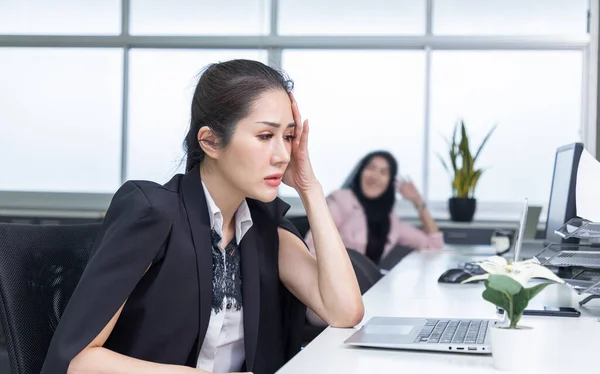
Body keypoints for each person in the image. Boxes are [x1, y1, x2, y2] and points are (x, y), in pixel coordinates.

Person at [41, 60, 363, 374]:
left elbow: (344, 311)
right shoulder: (152, 213)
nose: (282, 155)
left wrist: (310, 188)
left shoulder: (263, 227)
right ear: (210, 141)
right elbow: (74, 362)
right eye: (265, 136)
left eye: (289, 137)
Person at [305, 150, 444, 266]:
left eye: (384, 172)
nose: (375, 176)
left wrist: (417, 201)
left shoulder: (390, 220)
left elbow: (434, 243)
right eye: (371, 168)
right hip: (335, 285)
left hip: (365, 289)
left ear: (390, 182)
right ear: (360, 172)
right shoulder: (341, 201)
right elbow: (312, 248)